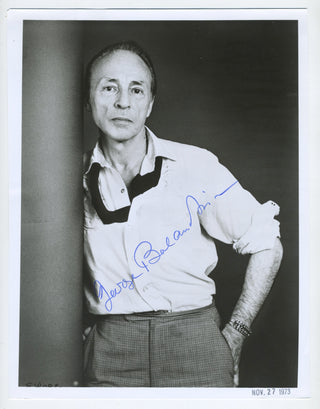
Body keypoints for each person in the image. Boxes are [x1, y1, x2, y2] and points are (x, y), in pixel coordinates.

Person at [82, 41, 283, 387]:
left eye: (136, 89)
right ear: (88, 100)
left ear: (150, 104)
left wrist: (236, 333)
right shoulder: (70, 178)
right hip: (109, 351)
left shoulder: (195, 165)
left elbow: (268, 244)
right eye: (109, 87)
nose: (123, 102)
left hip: (194, 343)